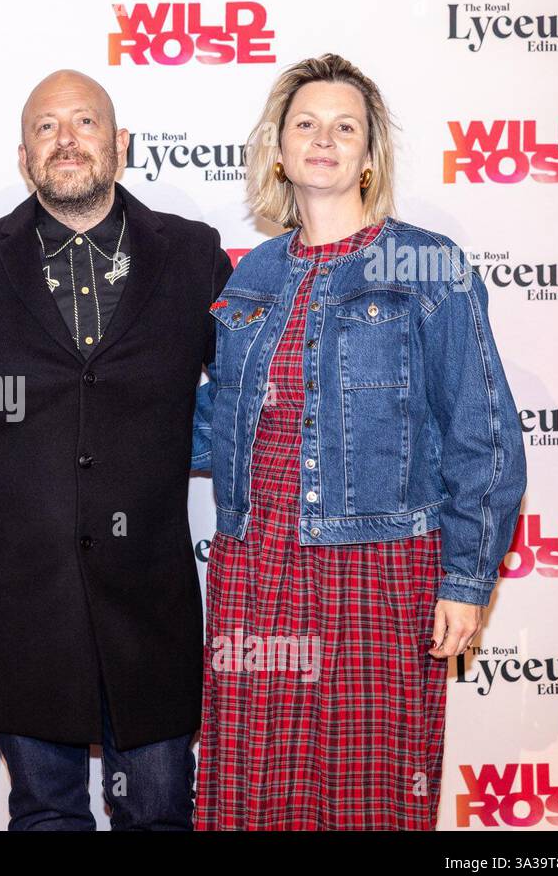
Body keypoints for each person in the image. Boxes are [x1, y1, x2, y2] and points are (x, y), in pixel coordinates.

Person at [195, 53, 527, 830]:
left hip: (380, 564)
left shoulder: (427, 265)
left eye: (345, 127)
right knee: (256, 795)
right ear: (276, 149)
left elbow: (483, 431)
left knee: (370, 795)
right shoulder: (253, 277)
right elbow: (218, 425)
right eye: (305, 124)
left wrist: (468, 579)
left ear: (370, 154)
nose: (323, 139)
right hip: (256, 562)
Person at [0, 70, 231, 830]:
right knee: (44, 813)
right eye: (46, 127)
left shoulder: (193, 255)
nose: (66, 140)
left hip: (151, 603)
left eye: (85, 123)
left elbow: (250, 401)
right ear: (24, 155)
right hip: (23, 603)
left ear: (120, 143)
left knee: (161, 812)